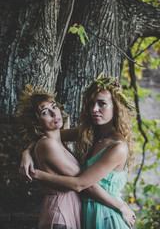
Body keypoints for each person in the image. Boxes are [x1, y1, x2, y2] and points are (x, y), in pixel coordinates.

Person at [19, 78, 136, 229]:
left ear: (116, 108)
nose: (94, 109)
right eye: (91, 103)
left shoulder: (117, 148)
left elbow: (80, 183)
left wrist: (121, 207)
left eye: (102, 103)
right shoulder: (89, 133)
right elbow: (48, 135)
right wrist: (26, 152)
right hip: (85, 213)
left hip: (107, 214)